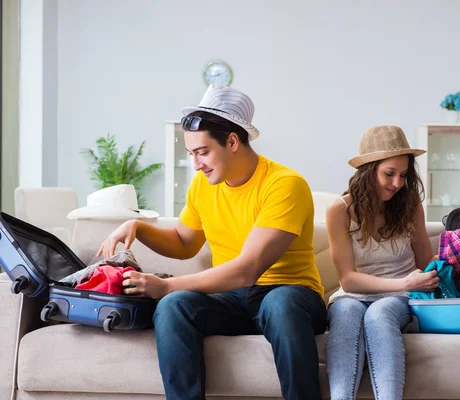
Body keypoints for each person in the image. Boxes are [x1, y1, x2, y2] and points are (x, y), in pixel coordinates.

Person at [97, 84, 326, 400]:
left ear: (232, 141)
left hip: (291, 294)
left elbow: (248, 269)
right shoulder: (203, 186)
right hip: (232, 297)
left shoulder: (285, 185)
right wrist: (139, 227)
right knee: (174, 306)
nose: (196, 164)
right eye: (191, 154)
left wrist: (166, 285)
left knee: (279, 303)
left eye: (203, 152)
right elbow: (183, 242)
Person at [325, 125, 439, 400]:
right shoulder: (339, 211)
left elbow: (425, 261)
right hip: (354, 293)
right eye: (389, 174)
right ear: (368, 170)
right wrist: (405, 281)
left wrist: (454, 257)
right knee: (346, 312)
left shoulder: (410, 206)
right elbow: (348, 280)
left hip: (400, 297)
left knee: (379, 314)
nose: (398, 183)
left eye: (403, 175)